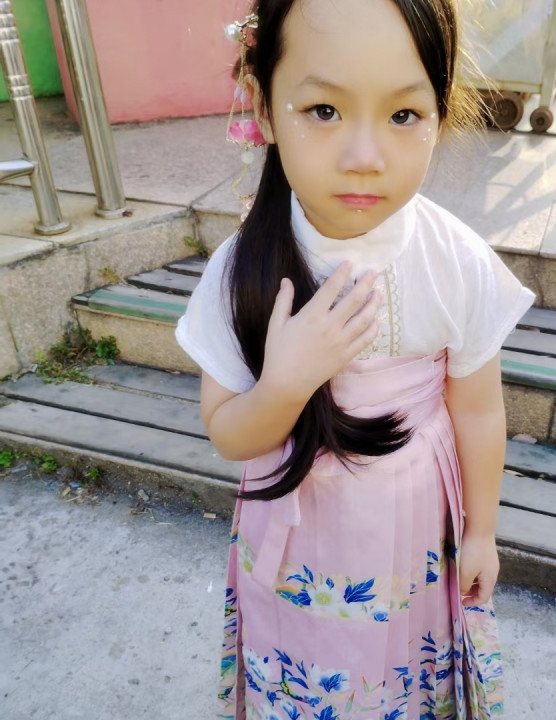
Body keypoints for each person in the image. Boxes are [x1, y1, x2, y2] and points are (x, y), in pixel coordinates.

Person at [175, 0, 536, 718]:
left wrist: (482, 533)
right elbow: (229, 434)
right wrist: (285, 383)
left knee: (397, 672)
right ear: (263, 106)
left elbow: (477, 408)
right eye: (324, 110)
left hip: (414, 530)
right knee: (310, 676)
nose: (365, 155)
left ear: (440, 111)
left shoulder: (455, 261)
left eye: (403, 114)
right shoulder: (242, 272)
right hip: (299, 540)